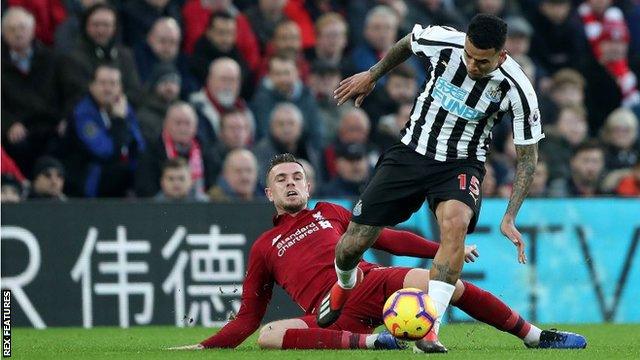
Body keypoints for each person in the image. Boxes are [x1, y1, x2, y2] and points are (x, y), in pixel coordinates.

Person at [169, 153, 585, 351]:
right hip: (328, 311)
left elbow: (386, 239)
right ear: (269, 192)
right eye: (282, 179)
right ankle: (374, 342)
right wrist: (206, 347)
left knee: (448, 282)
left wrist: (443, 249)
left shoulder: (329, 212)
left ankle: (534, 336)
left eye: (298, 176)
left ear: (309, 187)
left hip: (372, 282)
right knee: (268, 336)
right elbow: (248, 316)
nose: (292, 183)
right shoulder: (265, 246)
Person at [325, 14, 545, 352]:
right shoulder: (443, 40)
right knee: (352, 243)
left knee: (455, 226)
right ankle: (344, 283)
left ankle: (430, 329)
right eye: (469, 55)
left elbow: (528, 158)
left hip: (461, 163)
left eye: (482, 61)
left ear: (501, 56)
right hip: (411, 152)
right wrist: (372, 75)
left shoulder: (518, 89)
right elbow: (406, 44)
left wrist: (510, 215)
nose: (472, 64)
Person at [64, 64, 145, 198]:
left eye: (113, 84)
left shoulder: (124, 108)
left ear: (120, 88)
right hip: (89, 179)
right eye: (102, 83)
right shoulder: (83, 113)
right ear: (92, 86)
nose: (108, 89)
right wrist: (119, 120)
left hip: (118, 174)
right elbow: (105, 151)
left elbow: (139, 145)